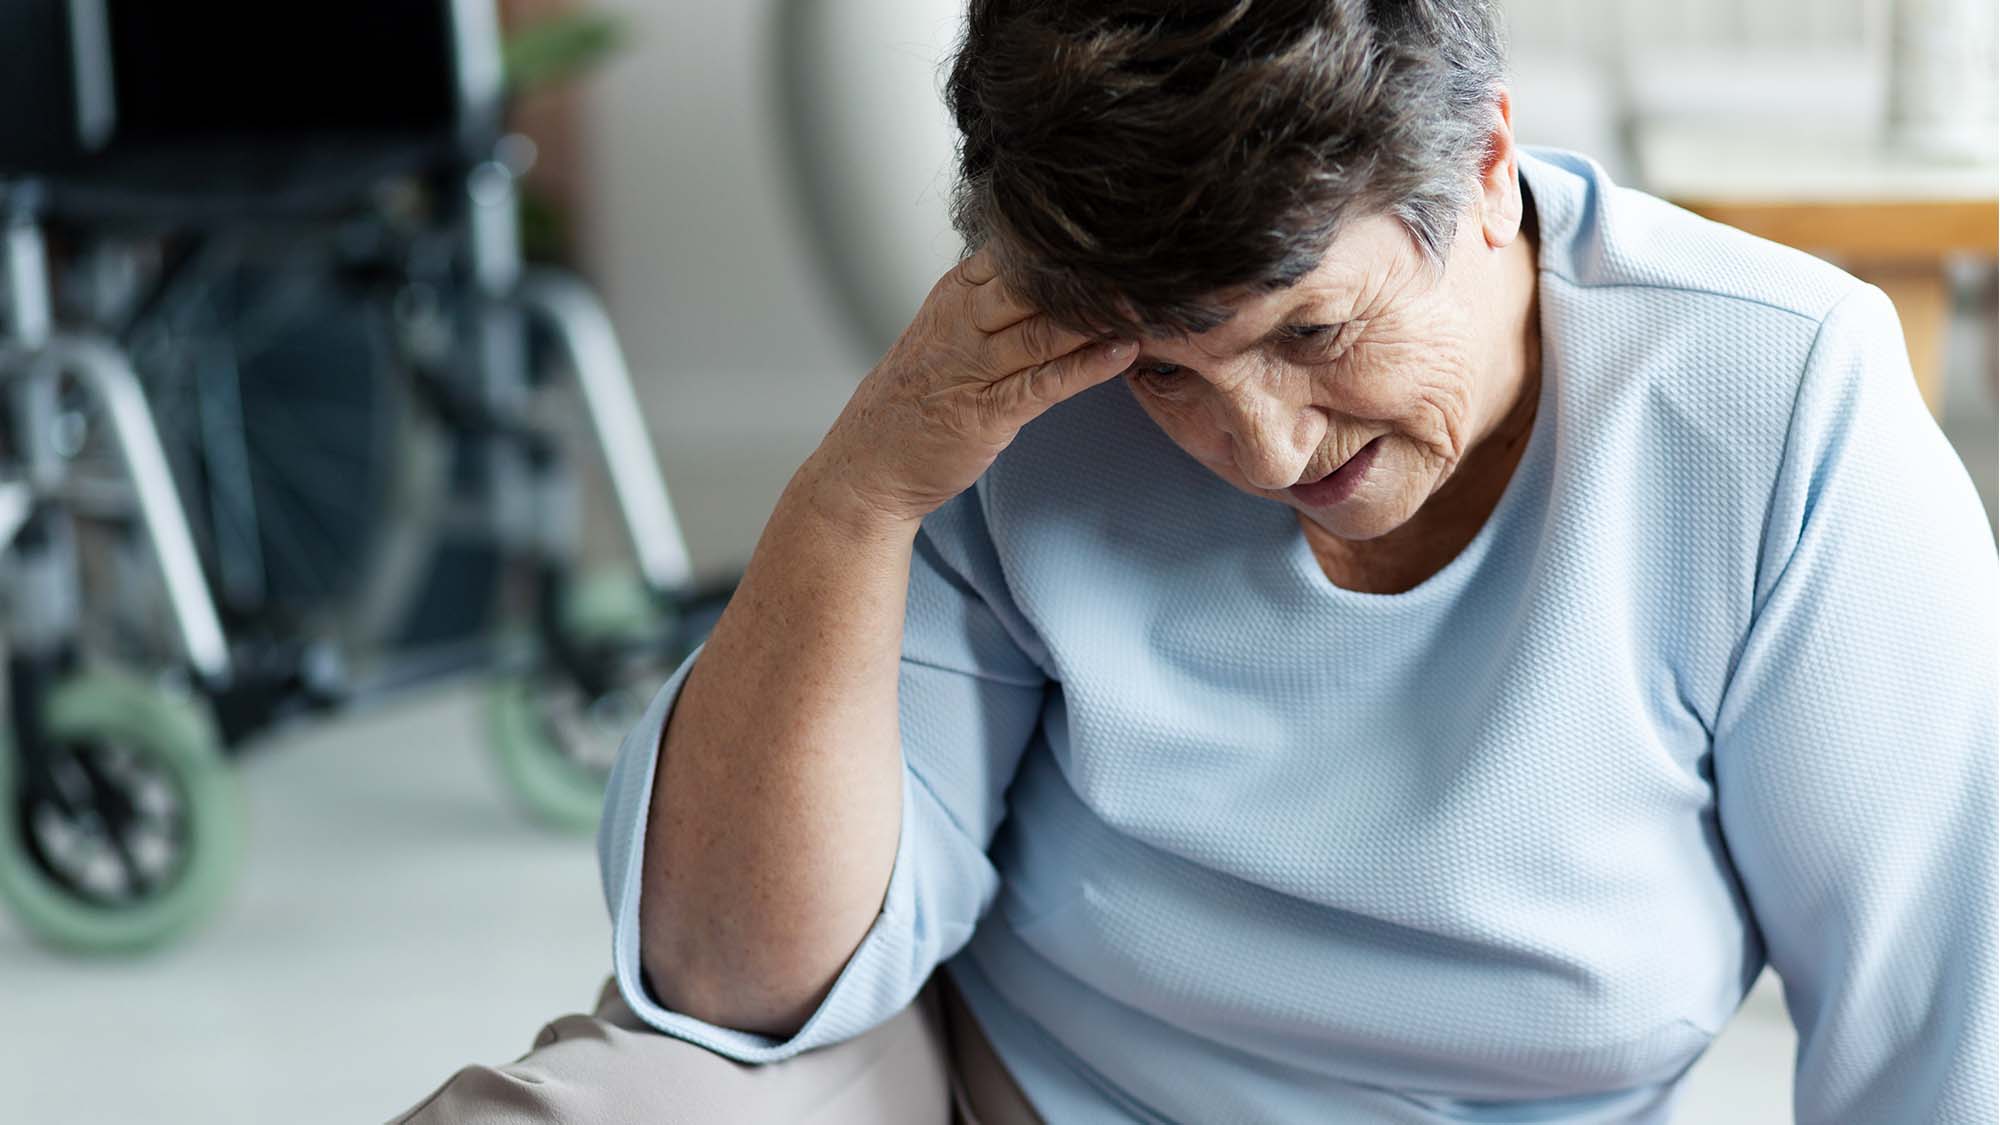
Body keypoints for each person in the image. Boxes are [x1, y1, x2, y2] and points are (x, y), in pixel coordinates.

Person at [397, 1, 1997, 1121]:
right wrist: (861, 491)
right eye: (1168, 367)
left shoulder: (1772, 403)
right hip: (979, 1080)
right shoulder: (1021, 379)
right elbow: (729, 981)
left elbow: (1942, 1023)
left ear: (1489, 167)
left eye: (1316, 332)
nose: (1265, 447)